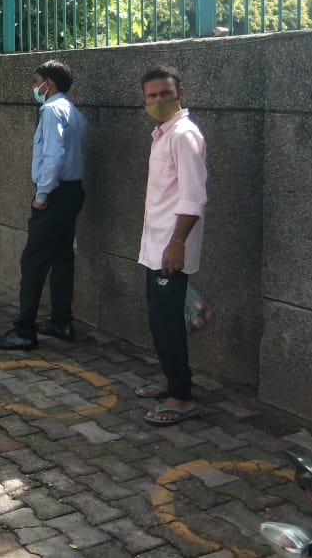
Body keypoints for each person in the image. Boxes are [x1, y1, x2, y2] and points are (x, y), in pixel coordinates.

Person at [0, 59, 87, 351]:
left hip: (54, 195)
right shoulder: (73, 112)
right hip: (71, 192)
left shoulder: (53, 111)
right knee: (62, 257)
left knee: (33, 262)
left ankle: (24, 330)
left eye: (35, 81)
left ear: (48, 84)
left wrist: (41, 196)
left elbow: (53, 157)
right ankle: (61, 321)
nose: (34, 87)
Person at [135, 65, 207, 427]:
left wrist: (177, 243)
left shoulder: (183, 135)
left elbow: (194, 199)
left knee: (166, 322)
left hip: (170, 246)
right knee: (159, 316)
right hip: (156, 244)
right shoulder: (163, 133)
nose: (159, 100)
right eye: (152, 95)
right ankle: (171, 378)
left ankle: (183, 396)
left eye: (165, 93)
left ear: (180, 92)